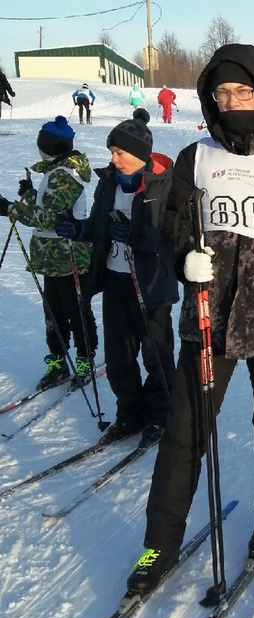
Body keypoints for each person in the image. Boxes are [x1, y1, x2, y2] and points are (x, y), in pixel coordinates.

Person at [125, 43, 254, 595]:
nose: (232, 100)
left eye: (242, 92)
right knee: (185, 429)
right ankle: (160, 542)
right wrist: (182, 262)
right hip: (208, 315)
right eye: (222, 93)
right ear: (210, 100)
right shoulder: (197, 157)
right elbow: (174, 226)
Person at [55, 117, 177, 449]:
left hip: (151, 285)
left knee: (157, 356)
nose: (113, 158)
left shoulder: (166, 184)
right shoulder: (108, 181)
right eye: (112, 151)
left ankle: (159, 415)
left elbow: (175, 239)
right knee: (118, 357)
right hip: (115, 281)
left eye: (119, 151)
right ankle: (130, 413)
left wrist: (138, 236)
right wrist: (78, 230)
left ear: (139, 153)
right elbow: (98, 224)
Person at [0, 116, 97, 390]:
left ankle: (83, 358)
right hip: (51, 258)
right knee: (52, 312)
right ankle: (57, 361)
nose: (38, 149)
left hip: (69, 257)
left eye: (41, 144)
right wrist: (31, 194)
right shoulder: (54, 173)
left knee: (75, 311)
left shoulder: (65, 176)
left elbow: (45, 219)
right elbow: (50, 208)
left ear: (50, 147)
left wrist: (10, 208)